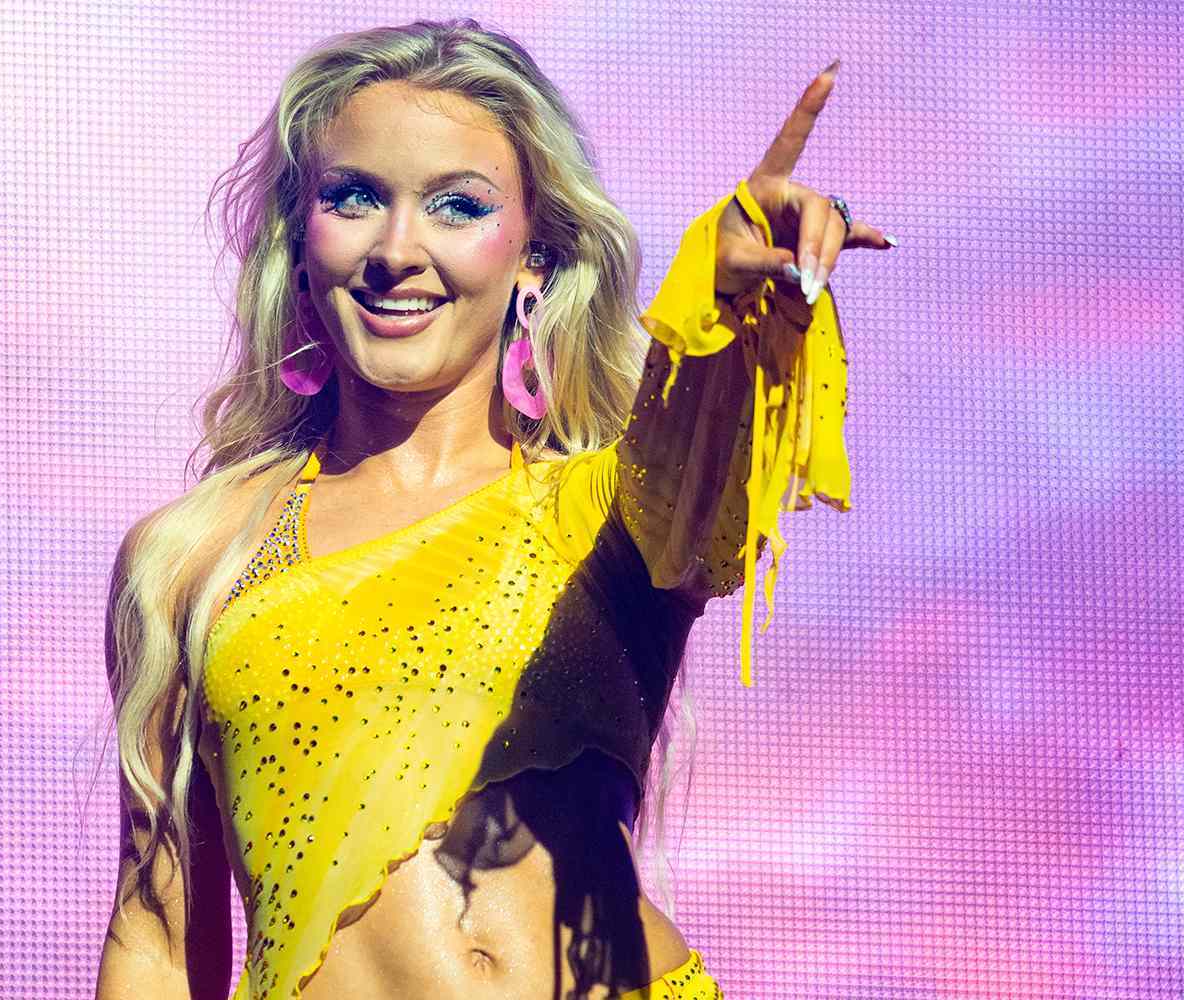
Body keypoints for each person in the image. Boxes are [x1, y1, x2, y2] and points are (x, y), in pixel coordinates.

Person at [95, 18, 893, 1000]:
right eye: (355, 197)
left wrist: (724, 297)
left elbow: (697, 433)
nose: (398, 250)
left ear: (534, 258)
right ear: (299, 242)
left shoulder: (603, 510)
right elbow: (157, 943)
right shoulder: (191, 557)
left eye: (457, 206)